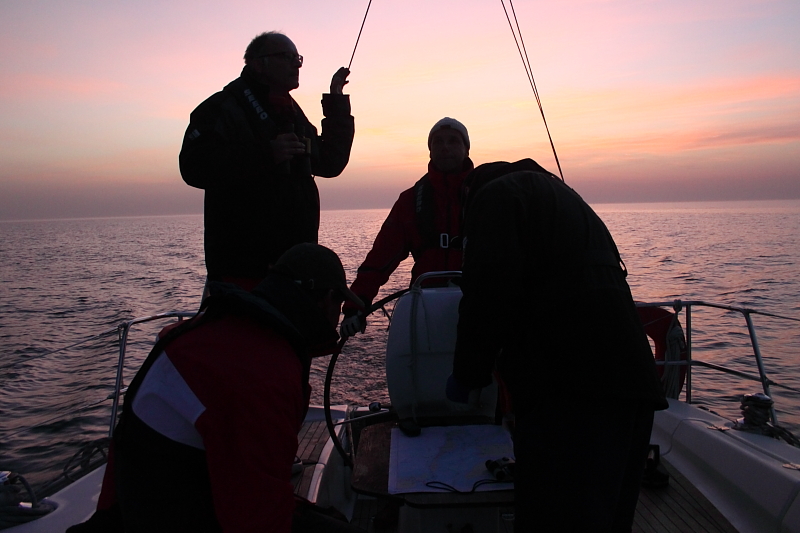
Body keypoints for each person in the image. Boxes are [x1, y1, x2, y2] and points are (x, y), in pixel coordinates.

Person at [446, 160, 668, 532]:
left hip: (571, 394)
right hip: (634, 384)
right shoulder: (566, 200)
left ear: (470, 193)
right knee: (610, 518)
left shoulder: (493, 196)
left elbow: (486, 292)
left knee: (553, 515)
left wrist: (468, 374)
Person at [109, 243, 364, 532]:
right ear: (327, 298)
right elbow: (256, 520)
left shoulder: (222, 333)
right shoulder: (261, 368)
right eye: (340, 307)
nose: (338, 319)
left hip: (164, 504)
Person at [180, 31, 355, 290]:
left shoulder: (292, 113)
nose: (296, 64)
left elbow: (330, 162)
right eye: (288, 57)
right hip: (241, 273)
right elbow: (193, 167)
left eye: (298, 59)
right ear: (259, 63)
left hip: (293, 272)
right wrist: (265, 154)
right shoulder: (221, 108)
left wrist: (336, 99)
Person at [340, 117, 474, 338]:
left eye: (453, 141)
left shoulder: (489, 195)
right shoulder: (410, 201)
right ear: (430, 150)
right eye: (438, 142)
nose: (445, 147)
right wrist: (355, 306)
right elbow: (380, 259)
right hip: (426, 307)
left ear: (466, 149)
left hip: (480, 308)